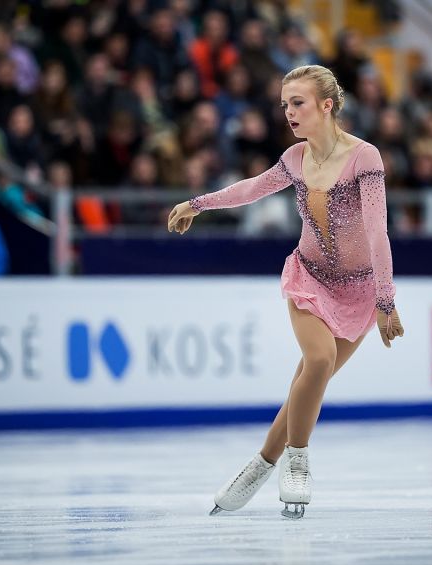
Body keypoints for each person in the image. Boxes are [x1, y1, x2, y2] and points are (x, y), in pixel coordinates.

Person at [166, 65, 405, 519]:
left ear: (326, 105)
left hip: (358, 293)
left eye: (297, 103)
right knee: (318, 361)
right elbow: (252, 189)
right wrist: (197, 204)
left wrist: (385, 299)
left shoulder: (365, 158)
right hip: (309, 276)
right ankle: (297, 460)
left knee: (306, 383)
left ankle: (260, 465)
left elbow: (378, 232)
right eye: (284, 104)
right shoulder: (295, 159)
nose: (289, 112)